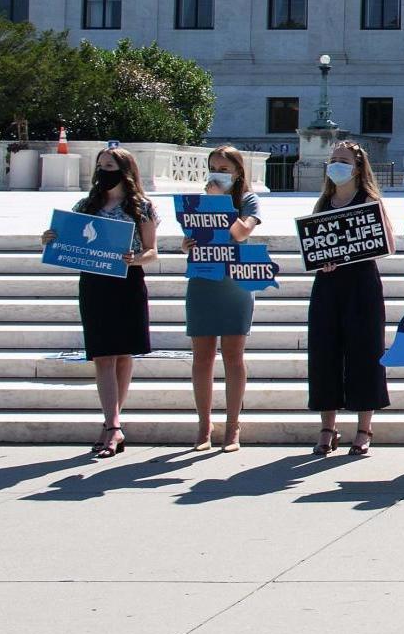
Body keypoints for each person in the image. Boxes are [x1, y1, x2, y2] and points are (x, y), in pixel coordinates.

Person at [45, 147, 158, 459]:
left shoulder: (142, 207)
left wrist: (134, 259)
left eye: (109, 166)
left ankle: (113, 422)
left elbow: (152, 251)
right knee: (104, 355)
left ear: (125, 170)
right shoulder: (86, 204)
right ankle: (112, 425)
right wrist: (52, 239)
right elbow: (71, 239)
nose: (103, 171)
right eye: (100, 166)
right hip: (95, 283)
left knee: (124, 354)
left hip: (127, 282)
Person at [309, 140, 393, 456]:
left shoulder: (370, 200)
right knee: (324, 353)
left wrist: (354, 250)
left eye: (343, 160)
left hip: (361, 284)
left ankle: (363, 427)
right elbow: (314, 246)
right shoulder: (323, 203)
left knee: (365, 353)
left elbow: (388, 244)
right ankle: (328, 427)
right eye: (333, 159)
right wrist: (323, 260)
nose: (336, 165)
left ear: (358, 167)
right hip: (328, 284)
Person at [184, 146, 262, 452]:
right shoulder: (197, 200)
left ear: (238, 171)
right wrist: (186, 243)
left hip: (236, 281)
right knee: (202, 356)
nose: (218, 173)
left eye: (224, 168)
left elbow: (241, 233)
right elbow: (194, 233)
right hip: (203, 279)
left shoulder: (247, 200)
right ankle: (204, 425)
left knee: (233, 355)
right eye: (214, 167)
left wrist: (219, 203)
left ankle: (233, 426)